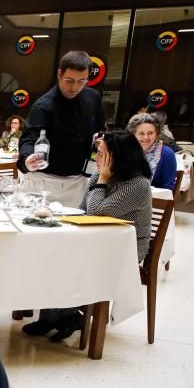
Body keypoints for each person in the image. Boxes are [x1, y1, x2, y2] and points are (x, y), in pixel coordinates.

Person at [22, 131, 152, 342]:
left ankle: (69, 315)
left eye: (102, 155)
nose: (96, 159)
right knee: (53, 253)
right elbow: (84, 209)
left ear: (118, 157)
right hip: (96, 239)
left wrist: (101, 180)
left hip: (124, 248)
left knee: (71, 261)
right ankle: (54, 317)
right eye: (97, 154)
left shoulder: (137, 184)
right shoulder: (99, 175)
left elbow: (97, 212)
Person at [17, 51, 106, 207]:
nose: (74, 87)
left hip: (78, 181)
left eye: (81, 81)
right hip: (43, 181)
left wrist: (100, 140)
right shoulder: (43, 106)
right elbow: (29, 139)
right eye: (69, 80)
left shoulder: (93, 98)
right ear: (59, 74)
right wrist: (27, 159)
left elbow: (99, 128)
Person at [127, 112, 177, 191]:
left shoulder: (167, 154)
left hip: (153, 201)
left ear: (157, 134)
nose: (146, 137)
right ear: (134, 134)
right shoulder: (125, 150)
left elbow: (168, 188)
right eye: (141, 133)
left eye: (150, 133)